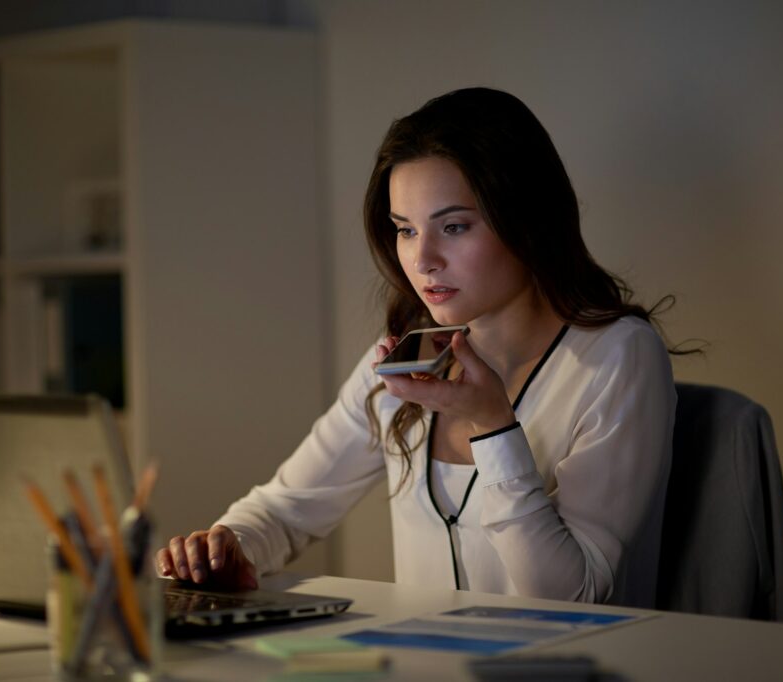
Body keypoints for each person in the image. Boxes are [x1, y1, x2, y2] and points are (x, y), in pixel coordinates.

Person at [154, 87, 678, 606]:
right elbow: (286, 510)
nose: (423, 259)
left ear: (528, 220)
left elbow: (574, 596)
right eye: (405, 229)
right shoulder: (406, 355)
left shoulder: (618, 357)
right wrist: (225, 545)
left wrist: (493, 425)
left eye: (453, 226)